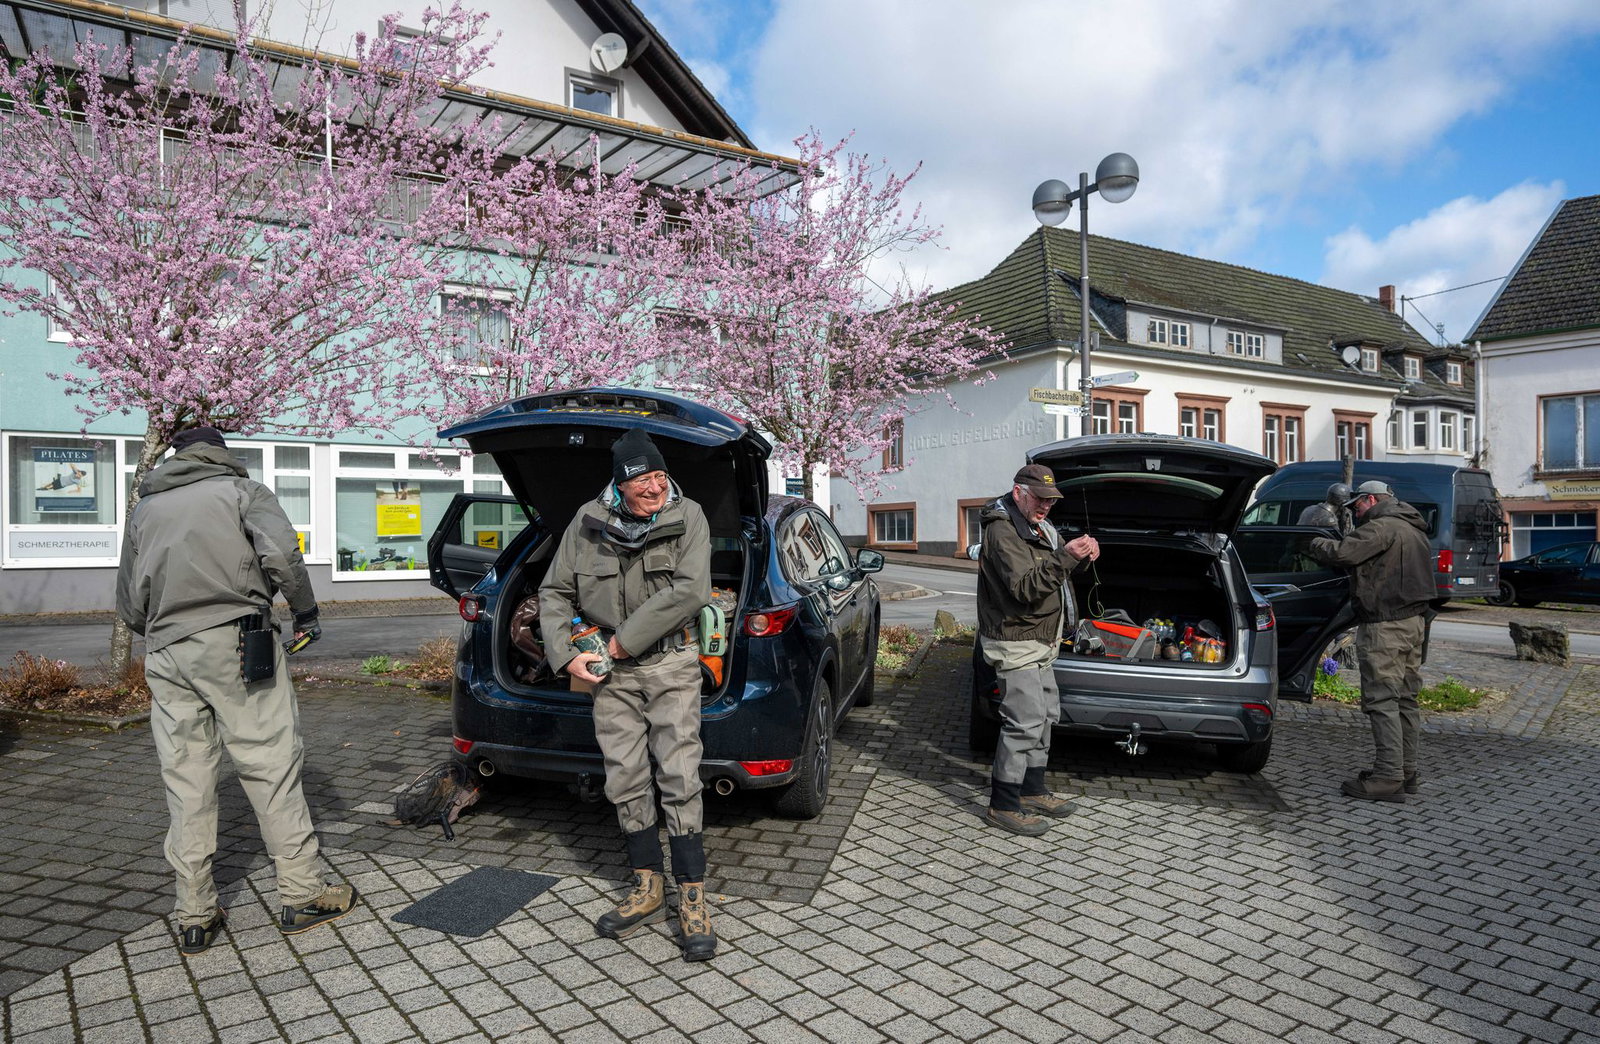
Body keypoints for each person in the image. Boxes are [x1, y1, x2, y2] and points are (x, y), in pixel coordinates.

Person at [116, 425, 356, 956]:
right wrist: (306, 612)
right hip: (238, 644)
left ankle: (195, 912)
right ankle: (303, 894)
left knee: (186, 778)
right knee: (269, 762)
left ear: (177, 458)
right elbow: (283, 556)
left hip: (166, 652)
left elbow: (131, 603)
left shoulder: (145, 509)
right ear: (221, 454)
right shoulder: (243, 492)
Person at [538, 427, 717, 961]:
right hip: (608, 677)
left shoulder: (690, 517)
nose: (656, 488)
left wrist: (620, 642)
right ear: (621, 484)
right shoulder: (586, 523)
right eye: (645, 479)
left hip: (670, 663)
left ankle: (691, 895)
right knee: (625, 777)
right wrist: (566, 654)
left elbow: (692, 589)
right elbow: (554, 591)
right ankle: (647, 886)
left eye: (661, 476)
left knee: (680, 774)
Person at [975, 463, 1099, 835]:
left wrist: (1078, 554)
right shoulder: (1002, 531)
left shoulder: (1039, 527)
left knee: (1045, 717)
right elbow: (1025, 588)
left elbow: (1052, 576)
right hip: (1015, 641)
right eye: (1040, 499)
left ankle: (1031, 790)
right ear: (1019, 493)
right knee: (1024, 722)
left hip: (1041, 639)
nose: (1046, 506)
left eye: (1051, 500)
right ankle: (1003, 803)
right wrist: (1068, 557)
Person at [1306, 479, 1435, 802]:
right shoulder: (1413, 528)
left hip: (1386, 625)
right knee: (1406, 699)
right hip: (1414, 622)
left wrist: (1312, 542)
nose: (1356, 512)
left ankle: (1388, 777)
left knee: (1381, 700)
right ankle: (1406, 772)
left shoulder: (1382, 527)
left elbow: (1341, 552)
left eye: (1357, 506)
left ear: (1372, 499)